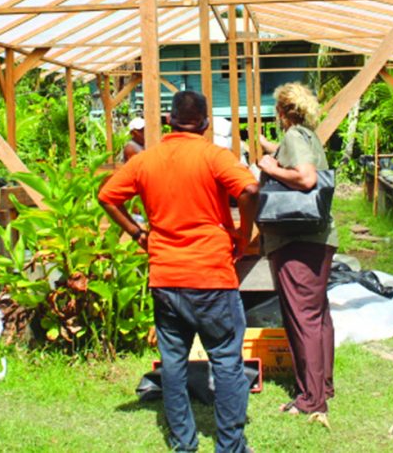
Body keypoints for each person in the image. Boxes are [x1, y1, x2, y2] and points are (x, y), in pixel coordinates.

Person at [99, 91, 259, 453]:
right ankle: (231, 445)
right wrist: (243, 235)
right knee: (226, 361)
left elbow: (108, 196)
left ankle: (184, 444)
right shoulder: (214, 155)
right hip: (212, 276)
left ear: (168, 121)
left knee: (173, 365)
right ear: (204, 125)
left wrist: (138, 232)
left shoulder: (145, 160)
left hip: (166, 277)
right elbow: (249, 189)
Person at [257, 82, 336, 429]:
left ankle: (310, 400)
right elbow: (302, 160)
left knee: (301, 319)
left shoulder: (293, 137)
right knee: (318, 317)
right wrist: (271, 149)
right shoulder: (308, 136)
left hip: (297, 240)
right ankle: (323, 387)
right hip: (319, 237)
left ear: (283, 112)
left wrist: (269, 168)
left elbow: (304, 178)